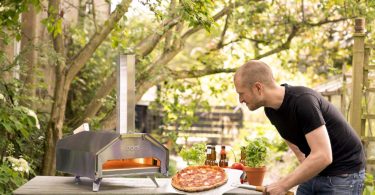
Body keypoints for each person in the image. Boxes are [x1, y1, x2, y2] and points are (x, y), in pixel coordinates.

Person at [233, 60, 365, 195]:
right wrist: (302, 172)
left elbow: (324, 156)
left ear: (258, 88)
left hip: (344, 174)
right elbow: (296, 147)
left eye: (241, 93)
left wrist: (283, 185)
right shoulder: (271, 110)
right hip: (317, 171)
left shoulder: (303, 101)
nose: (240, 100)